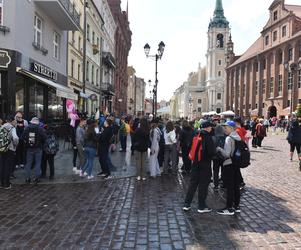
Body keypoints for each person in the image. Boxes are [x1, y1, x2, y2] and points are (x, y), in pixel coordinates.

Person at [183, 120, 215, 213]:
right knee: (203, 185)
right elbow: (211, 152)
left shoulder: (196, 134)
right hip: (205, 163)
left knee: (193, 184)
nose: (211, 128)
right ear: (207, 128)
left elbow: (190, 146)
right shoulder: (208, 137)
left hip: (195, 163)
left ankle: (187, 204)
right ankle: (201, 206)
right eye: (210, 127)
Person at [216, 121, 242, 215]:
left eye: (226, 127)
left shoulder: (229, 138)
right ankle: (237, 206)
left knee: (230, 187)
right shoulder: (238, 137)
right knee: (236, 186)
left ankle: (229, 208)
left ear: (231, 128)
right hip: (236, 164)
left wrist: (219, 149)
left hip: (229, 164)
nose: (224, 129)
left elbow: (226, 154)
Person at [21, 117, 47, 184]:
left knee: (28, 163)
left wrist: (26, 142)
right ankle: (36, 178)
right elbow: (45, 138)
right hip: (38, 148)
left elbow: (22, 137)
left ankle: (27, 178)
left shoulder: (27, 128)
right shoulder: (40, 129)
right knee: (38, 163)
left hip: (29, 148)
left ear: (31, 122)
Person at [0, 115, 19, 189]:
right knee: (8, 166)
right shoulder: (12, 128)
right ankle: (6, 184)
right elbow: (15, 138)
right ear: (11, 121)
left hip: (1, 149)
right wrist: (15, 145)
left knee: (2, 166)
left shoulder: (1, 127)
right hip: (10, 149)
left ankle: (1, 183)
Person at [212, 124, 226, 191]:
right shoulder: (226, 137)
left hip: (215, 157)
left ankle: (216, 185)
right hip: (223, 156)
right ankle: (223, 183)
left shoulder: (213, 137)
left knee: (215, 171)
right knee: (223, 170)